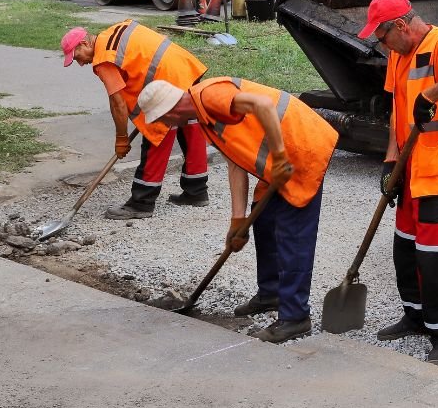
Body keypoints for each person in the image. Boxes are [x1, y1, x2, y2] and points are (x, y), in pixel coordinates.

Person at [136, 76, 339, 343]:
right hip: (277, 159)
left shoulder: (209, 97)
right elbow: (236, 164)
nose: (165, 126)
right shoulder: (204, 116)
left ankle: (295, 317)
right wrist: (237, 221)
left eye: (162, 120)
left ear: (170, 111)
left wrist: (278, 155)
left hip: (300, 146)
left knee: (293, 234)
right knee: (263, 221)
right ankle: (272, 293)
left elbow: (265, 105)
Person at [357, 0, 438, 365]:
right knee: (405, 248)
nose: (381, 46)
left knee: (436, 257)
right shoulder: (398, 52)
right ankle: (415, 316)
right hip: (411, 169)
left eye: (382, 37)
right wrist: (389, 162)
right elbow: (397, 110)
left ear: (400, 25)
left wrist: (431, 94)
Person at [61, 21, 209, 219]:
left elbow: (118, 104)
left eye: (76, 57)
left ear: (84, 44)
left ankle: (141, 203)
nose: (80, 63)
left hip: (166, 80)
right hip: (183, 68)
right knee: (191, 127)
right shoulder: (113, 31)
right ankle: (196, 191)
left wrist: (121, 138)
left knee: (157, 133)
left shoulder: (105, 59)